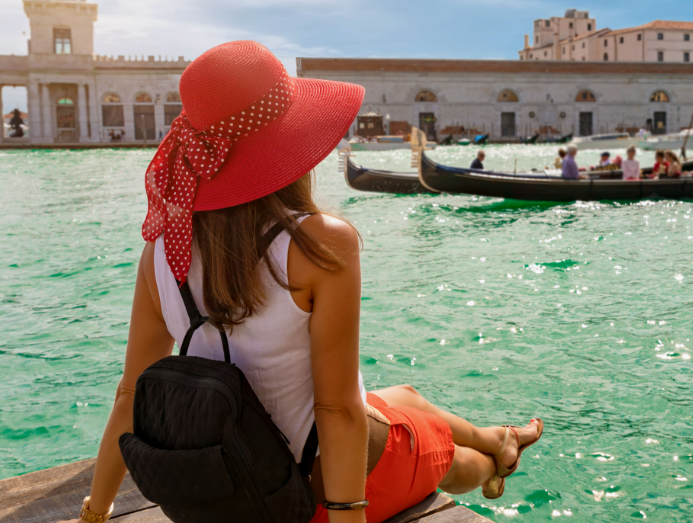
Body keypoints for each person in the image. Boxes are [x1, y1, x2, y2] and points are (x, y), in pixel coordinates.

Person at [63, 41, 542, 523]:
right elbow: (338, 412)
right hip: (303, 497)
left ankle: (497, 437)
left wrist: (96, 511)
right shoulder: (320, 243)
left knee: (407, 397)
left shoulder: (162, 250)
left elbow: (130, 394)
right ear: (289, 143)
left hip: (228, 481)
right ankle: (490, 464)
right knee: (440, 449)